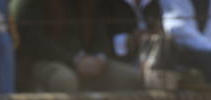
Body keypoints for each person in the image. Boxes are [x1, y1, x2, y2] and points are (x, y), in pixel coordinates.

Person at [10, 0, 144, 91]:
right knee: (64, 80)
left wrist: (100, 58)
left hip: (88, 61)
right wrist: (74, 60)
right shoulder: (28, 3)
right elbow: (32, 42)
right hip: (44, 62)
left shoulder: (87, 3)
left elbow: (100, 35)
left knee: (133, 78)